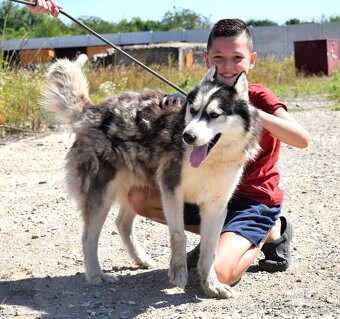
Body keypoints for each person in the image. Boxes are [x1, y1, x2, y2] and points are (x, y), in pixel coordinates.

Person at [27, 2, 310, 286]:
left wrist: (247, 110)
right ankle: (223, 238)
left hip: (253, 200)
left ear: (252, 60)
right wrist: (180, 108)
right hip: (212, 196)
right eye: (219, 57)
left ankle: (266, 232)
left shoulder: (258, 96)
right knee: (139, 197)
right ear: (207, 59)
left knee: (220, 274)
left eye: (237, 57)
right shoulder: (200, 97)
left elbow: (302, 139)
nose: (227, 65)